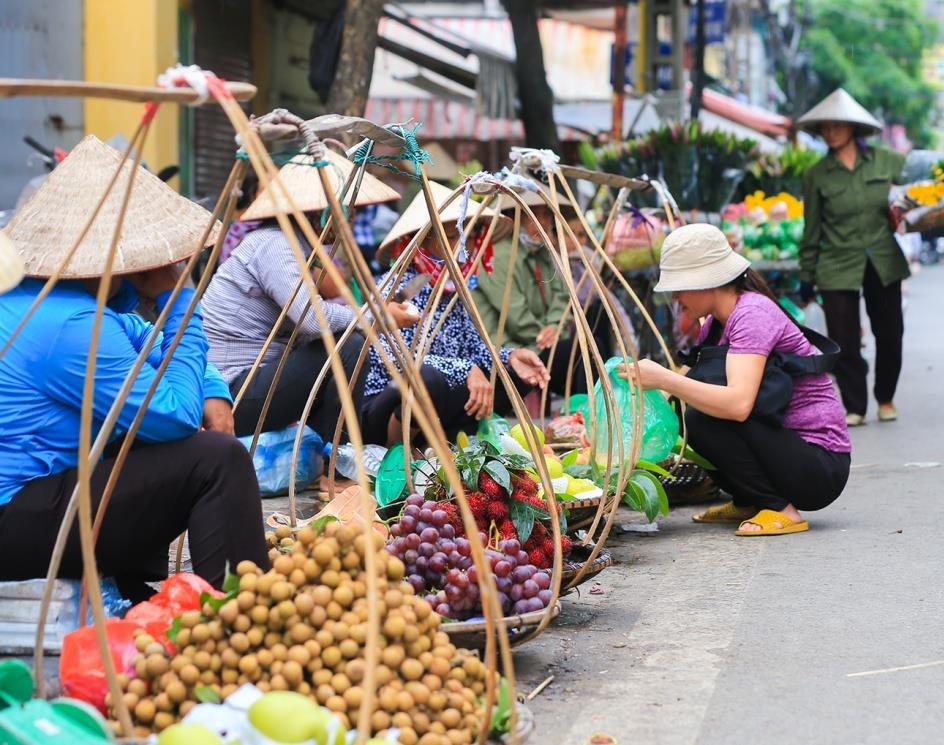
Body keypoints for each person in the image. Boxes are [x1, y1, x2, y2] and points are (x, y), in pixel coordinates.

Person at [0, 135, 268, 598]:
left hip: (34, 499)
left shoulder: (50, 297)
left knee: (143, 426)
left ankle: (133, 584)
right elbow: (174, 414)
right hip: (14, 516)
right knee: (217, 459)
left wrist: (212, 387)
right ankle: (235, 613)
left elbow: (146, 340)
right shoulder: (70, 323)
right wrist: (179, 298)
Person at [618, 224, 851, 536]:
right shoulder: (716, 323)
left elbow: (739, 405)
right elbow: (685, 381)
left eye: (679, 287)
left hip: (820, 465)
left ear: (706, 281)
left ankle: (780, 509)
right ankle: (748, 500)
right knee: (687, 415)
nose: (675, 297)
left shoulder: (752, 314)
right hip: (787, 451)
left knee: (701, 418)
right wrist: (634, 404)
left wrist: (664, 379)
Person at [201, 149, 418, 462]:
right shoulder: (275, 244)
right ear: (320, 213)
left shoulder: (296, 248)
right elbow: (313, 319)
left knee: (346, 341)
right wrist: (377, 317)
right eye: (345, 210)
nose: (350, 219)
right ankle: (339, 463)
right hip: (232, 393)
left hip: (256, 382)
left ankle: (327, 457)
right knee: (349, 345)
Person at [363, 181, 550, 445]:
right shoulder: (399, 286)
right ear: (423, 240)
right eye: (452, 237)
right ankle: (399, 447)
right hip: (387, 405)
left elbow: (474, 348)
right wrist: (465, 370)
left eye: (468, 237)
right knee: (428, 379)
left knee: (515, 374)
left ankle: (448, 438)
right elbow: (399, 360)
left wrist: (510, 357)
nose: (463, 246)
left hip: (441, 398)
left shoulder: (454, 288)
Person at [797, 88, 908, 426]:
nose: (830, 132)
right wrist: (806, 274)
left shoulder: (886, 161)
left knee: (890, 333)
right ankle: (855, 405)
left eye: (837, 125)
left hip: (883, 259)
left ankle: (885, 397)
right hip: (836, 263)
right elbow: (811, 228)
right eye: (825, 127)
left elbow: (920, 188)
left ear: (853, 127)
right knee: (843, 340)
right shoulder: (816, 175)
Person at [475, 187, 588, 395]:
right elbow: (516, 317)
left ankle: (584, 408)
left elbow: (562, 294)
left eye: (546, 215)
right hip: (511, 348)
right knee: (581, 350)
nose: (542, 222)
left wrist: (555, 325)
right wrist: (545, 335)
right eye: (533, 214)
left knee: (590, 338)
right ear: (513, 216)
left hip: (538, 340)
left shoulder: (541, 251)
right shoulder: (499, 255)